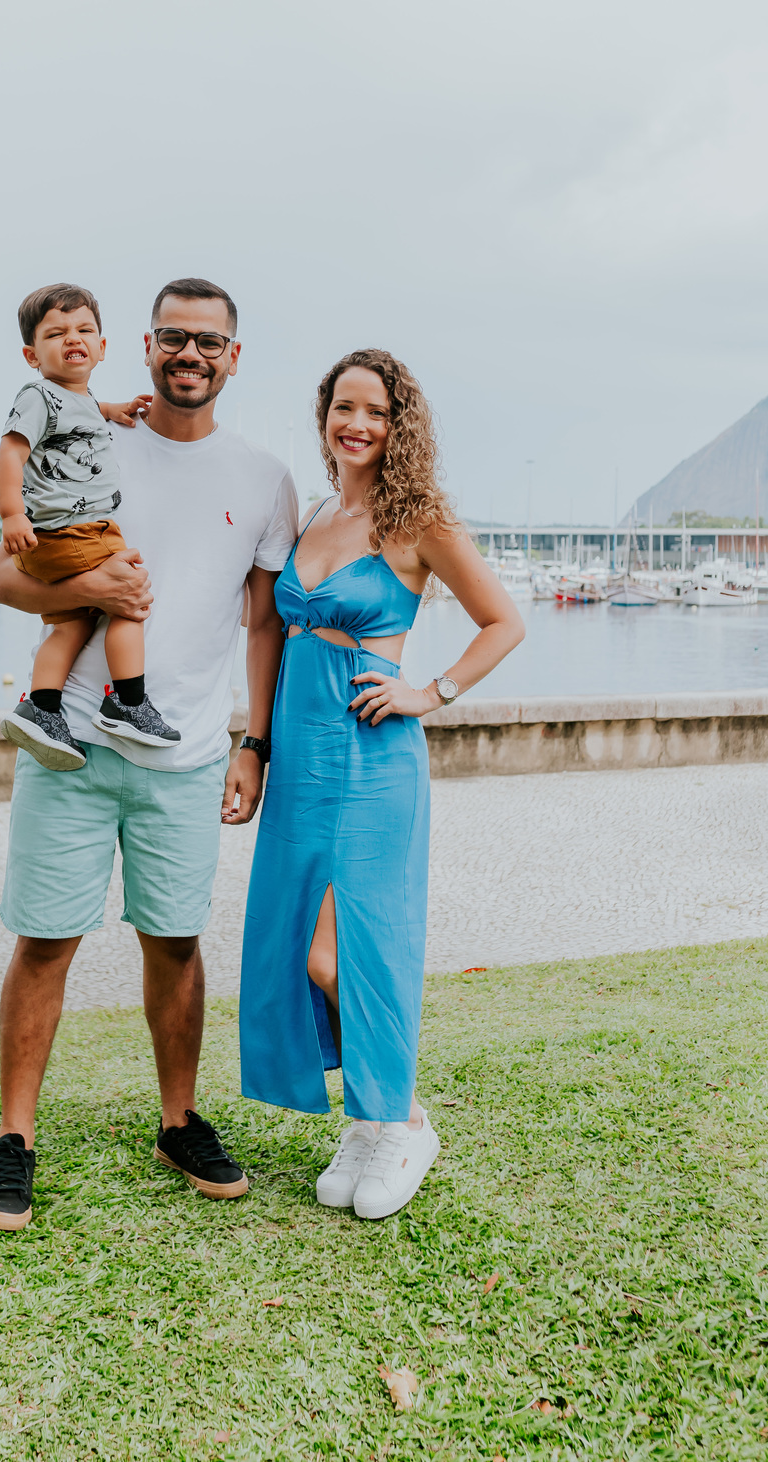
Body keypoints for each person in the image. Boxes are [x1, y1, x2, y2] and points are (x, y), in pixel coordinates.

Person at [0, 277, 298, 1231]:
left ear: (233, 359)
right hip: (71, 743)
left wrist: (254, 742)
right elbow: (2, 576)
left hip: (189, 752)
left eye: (209, 342)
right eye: (172, 338)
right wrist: (100, 589)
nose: (189, 355)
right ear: (144, 348)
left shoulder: (265, 479)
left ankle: (179, 1120)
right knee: (44, 939)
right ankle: (15, 1139)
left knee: (178, 940)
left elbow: (263, 625)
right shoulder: (85, 430)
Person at [239, 348, 525, 1220]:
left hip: (371, 758)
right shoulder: (317, 511)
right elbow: (267, 630)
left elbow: (503, 622)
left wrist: (425, 692)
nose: (356, 423)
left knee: (350, 948)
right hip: (300, 756)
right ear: (325, 416)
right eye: (343, 407)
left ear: (400, 425)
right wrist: (253, 743)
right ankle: (366, 1116)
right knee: (298, 943)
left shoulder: (418, 518)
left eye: (376, 411)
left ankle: (403, 1120)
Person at [0, 281, 180, 766]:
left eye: (84, 329)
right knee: (129, 596)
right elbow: (11, 451)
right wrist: (12, 514)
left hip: (64, 533)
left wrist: (111, 409)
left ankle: (42, 705)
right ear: (31, 354)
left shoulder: (74, 398)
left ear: (101, 347)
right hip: (72, 529)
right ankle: (128, 702)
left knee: (72, 623)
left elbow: (78, 414)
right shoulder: (36, 395)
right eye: (56, 333)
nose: (72, 338)